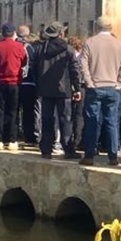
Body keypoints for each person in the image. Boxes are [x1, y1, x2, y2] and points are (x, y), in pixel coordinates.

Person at [79, 16, 121, 166]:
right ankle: (113, 156)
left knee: (92, 121)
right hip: (113, 87)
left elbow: (83, 65)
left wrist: (89, 82)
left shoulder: (90, 42)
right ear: (111, 27)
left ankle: (89, 155)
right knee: (112, 122)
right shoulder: (119, 44)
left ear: (96, 26)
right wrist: (119, 83)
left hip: (95, 86)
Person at [35, 22, 82, 159]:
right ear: (61, 34)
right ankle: (68, 149)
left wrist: (39, 85)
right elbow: (74, 70)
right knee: (65, 120)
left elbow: (34, 68)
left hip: (45, 89)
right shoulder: (69, 49)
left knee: (47, 119)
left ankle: (46, 149)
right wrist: (77, 88)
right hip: (64, 89)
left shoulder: (41, 49)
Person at [0, 23, 27, 151]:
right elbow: (24, 61)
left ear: (2, 34)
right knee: (13, 111)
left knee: (1, 111)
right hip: (14, 82)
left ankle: (0, 140)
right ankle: (12, 140)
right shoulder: (19, 46)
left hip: (0, 81)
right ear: (14, 33)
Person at [17, 25, 40, 147]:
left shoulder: (15, 45)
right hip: (29, 82)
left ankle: (12, 135)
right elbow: (33, 65)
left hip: (14, 82)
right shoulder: (30, 48)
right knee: (28, 111)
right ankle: (29, 137)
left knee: (13, 110)